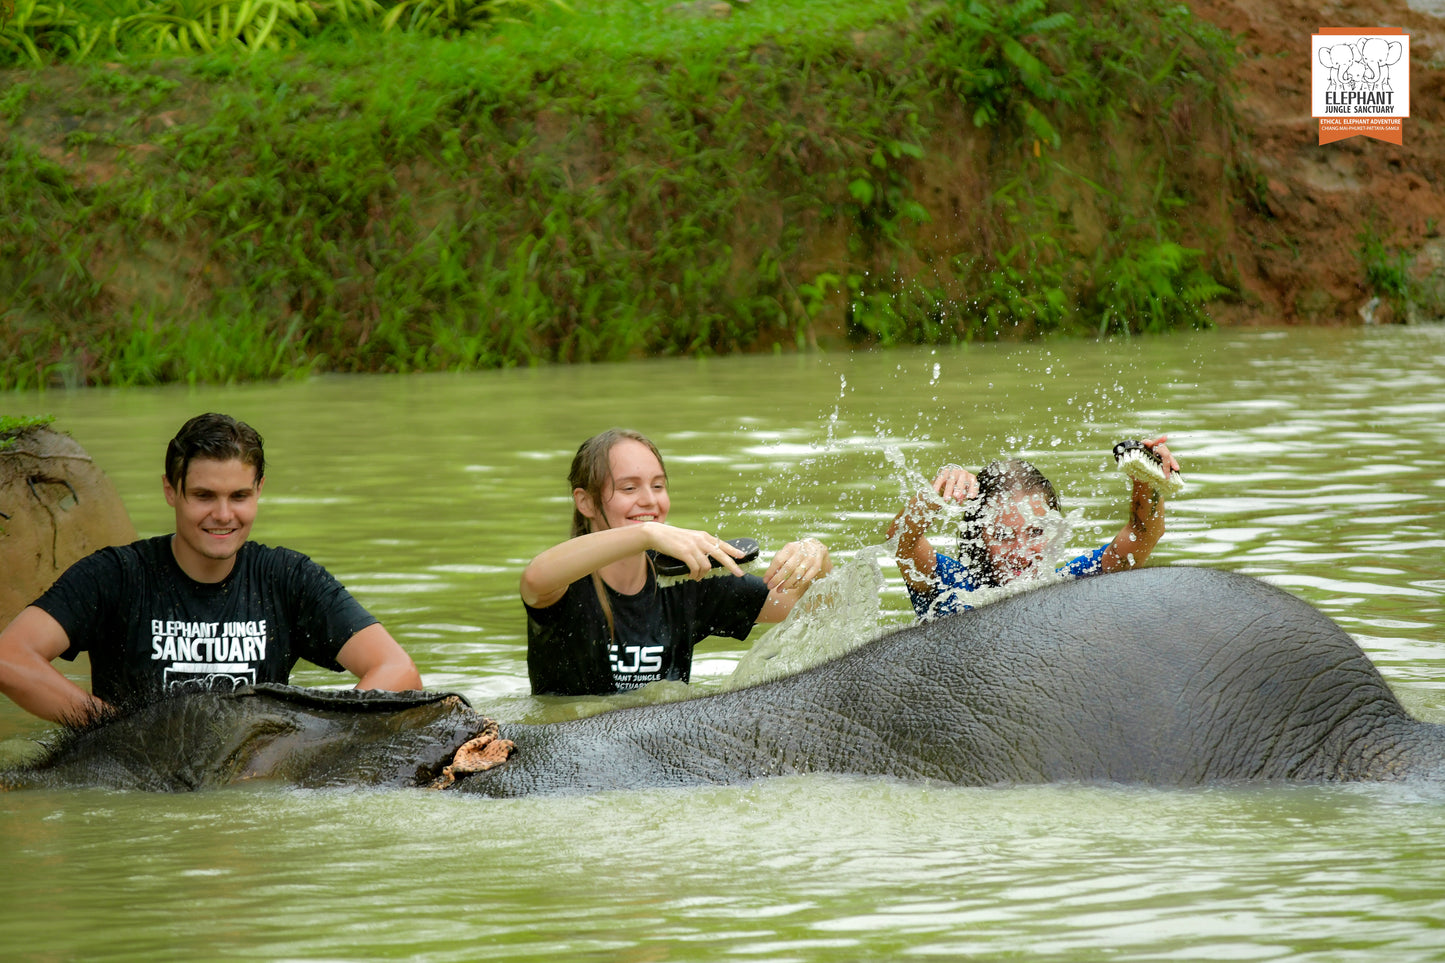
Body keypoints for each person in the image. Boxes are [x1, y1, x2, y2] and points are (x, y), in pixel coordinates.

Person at [0, 413, 423, 724]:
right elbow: (8, 657)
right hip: (140, 789)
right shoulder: (116, 576)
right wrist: (113, 729)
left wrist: (313, 736)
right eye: (204, 495)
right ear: (171, 490)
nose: (223, 515)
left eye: (239, 496)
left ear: (259, 491)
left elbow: (399, 670)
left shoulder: (287, 578)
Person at [520, 428, 834, 696]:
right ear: (585, 501)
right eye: (629, 488)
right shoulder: (565, 584)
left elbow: (816, 606)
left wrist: (816, 556)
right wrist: (646, 533)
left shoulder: (686, 581)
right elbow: (535, 579)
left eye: (658, 486)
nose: (650, 500)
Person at [889, 436, 1180, 620]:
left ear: (1055, 529)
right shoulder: (953, 588)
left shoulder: (1074, 584)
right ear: (979, 536)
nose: (1021, 552)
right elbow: (902, 541)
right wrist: (933, 495)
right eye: (1003, 536)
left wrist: (1146, 478)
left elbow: (1142, 535)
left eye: (1036, 532)